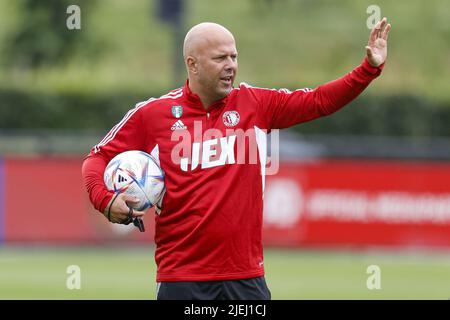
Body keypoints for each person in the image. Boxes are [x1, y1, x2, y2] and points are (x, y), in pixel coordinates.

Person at [82, 19, 391, 300]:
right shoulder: (153, 114)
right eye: (220, 58)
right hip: (181, 279)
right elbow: (97, 158)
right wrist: (105, 201)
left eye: (234, 56)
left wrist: (367, 69)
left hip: (245, 279)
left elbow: (319, 101)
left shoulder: (257, 104)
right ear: (193, 64)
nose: (231, 65)